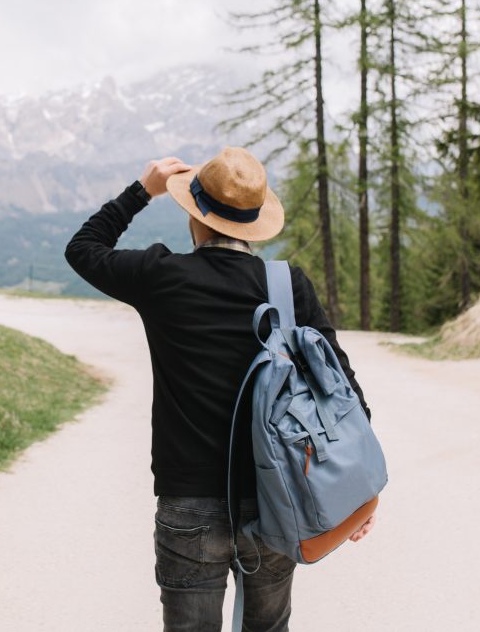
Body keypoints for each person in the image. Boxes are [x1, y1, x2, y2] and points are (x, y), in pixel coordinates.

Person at [65, 146, 374, 632]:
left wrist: (141, 191)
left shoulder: (162, 276)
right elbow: (342, 390)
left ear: (195, 217)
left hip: (188, 502)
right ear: (254, 222)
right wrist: (356, 494)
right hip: (277, 500)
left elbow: (83, 248)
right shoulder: (287, 285)